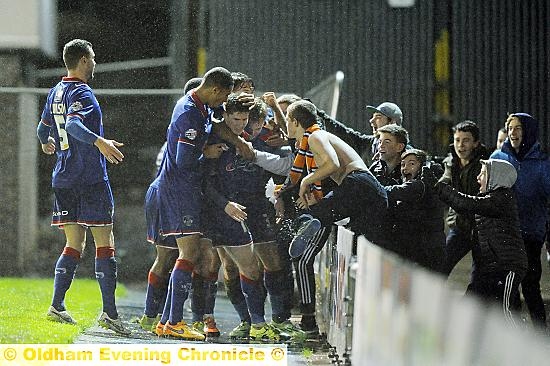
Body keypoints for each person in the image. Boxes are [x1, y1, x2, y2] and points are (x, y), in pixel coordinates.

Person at [145, 67, 254, 340]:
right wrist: (207, 153)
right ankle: (173, 322)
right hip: (180, 189)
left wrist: (237, 141)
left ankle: (166, 321)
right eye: (225, 96)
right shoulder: (189, 114)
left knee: (184, 255)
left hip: (181, 190)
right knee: (187, 254)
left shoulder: (198, 105)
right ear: (216, 90)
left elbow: (215, 125)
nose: (224, 103)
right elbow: (184, 161)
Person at [37, 39, 129, 335]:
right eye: (93, 58)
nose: (95, 63)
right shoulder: (81, 92)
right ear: (84, 60)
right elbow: (75, 127)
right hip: (88, 178)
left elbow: (42, 128)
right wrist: (100, 142)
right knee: (105, 243)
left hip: (63, 178)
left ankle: (57, 306)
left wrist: (45, 142)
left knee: (73, 245)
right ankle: (111, 315)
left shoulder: (55, 91)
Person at [202, 94, 304, 342]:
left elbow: (287, 163)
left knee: (272, 260)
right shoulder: (219, 137)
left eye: (257, 126)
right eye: (249, 127)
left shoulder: (269, 137)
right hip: (228, 205)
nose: (253, 131)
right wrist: (223, 204)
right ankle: (246, 322)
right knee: (231, 267)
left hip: (257, 202)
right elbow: (205, 179)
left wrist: (279, 193)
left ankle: (279, 319)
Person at [284, 100, 388, 334]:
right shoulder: (313, 139)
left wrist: (306, 181)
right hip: (371, 196)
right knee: (362, 257)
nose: (285, 125)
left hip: (359, 185)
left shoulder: (315, 136)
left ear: (296, 122)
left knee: (313, 215)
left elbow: (333, 164)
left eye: (287, 119)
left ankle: (309, 224)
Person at [427, 159, 527, 327]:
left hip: (507, 267)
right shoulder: (488, 199)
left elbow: (465, 203)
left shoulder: (502, 199)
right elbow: (462, 206)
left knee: (506, 311)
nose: (478, 178)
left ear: (496, 177)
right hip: (490, 268)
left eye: (483, 174)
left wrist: (438, 187)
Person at [138, 77, 202, 333]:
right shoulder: (190, 132)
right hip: (170, 197)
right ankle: (170, 320)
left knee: (166, 257)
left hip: (158, 195)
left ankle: (152, 316)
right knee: (181, 255)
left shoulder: (174, 132)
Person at [491, 113, 550, 330]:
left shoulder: (542, 163)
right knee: (509, 286)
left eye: (518, 128)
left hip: (532, 234)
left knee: (531, 285)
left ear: (528, 131)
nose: (513, 133)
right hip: (506, 234)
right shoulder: (498, 156)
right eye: (510, 128)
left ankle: (540, 333)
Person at [440, 121, 490, 276]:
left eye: (466, 140)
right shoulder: (451, 163)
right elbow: (440, 188)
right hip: (459, 226)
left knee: (479, 276)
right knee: (441, 266)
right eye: (457, 140)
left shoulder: (485, 165)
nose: (460, 145)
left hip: (480, 229)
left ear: (476, 143)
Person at [384, 149, 446, 273]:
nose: (405, 168)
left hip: (426, 251)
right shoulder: (423, 183)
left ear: (422, 167)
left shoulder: (419, 186)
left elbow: (390, 191)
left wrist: (368, 183)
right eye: (402, 164)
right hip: (424, 248)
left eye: (412, 164)